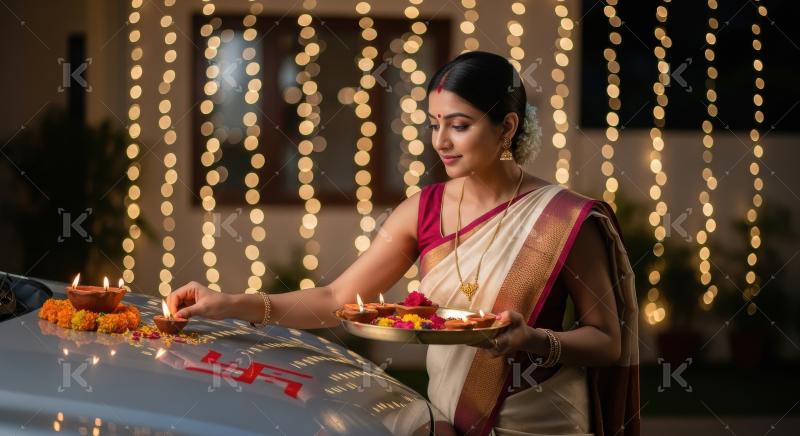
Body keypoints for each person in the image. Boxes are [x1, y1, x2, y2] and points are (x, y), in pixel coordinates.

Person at [169, 51, 640, 436]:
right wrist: (228, 303)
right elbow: (338, 299)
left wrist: (534, 340)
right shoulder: (424, 210)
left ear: (508, 127)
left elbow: (607, 342)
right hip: (450, 421)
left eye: (459, 124)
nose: (440, 141)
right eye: (434, 124)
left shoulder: (564, 217)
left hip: (543, 424)